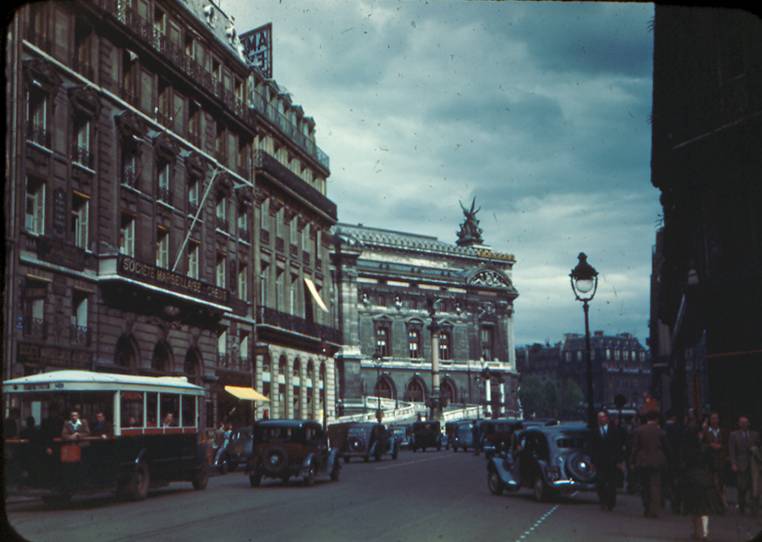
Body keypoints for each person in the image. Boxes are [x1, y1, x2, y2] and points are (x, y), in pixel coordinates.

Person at [682, 419, 724, 540]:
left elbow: (684, 463)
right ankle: (704, 533)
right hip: (705, 479)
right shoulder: (706, 448)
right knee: (704, 508)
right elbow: (712, 465)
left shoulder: (687, 448)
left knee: (694, 508)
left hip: (691, 479)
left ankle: (696, 531)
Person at [631, 409, 668, 518]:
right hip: (657, 461)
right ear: (657, 419)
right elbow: (666, 447)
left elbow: (635, 447)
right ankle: (654, 509)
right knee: (655, 485)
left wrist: (632, 461)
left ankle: (646, 506)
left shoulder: (639, 431)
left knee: (644, 485)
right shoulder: (660, 431)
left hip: (642, 461)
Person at [592, 410, 626, 511]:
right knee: (600, 482)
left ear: (607, 418)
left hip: (612, 461)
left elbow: (618, 446)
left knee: (612, 483)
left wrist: (620, 461)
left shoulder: (614, 431)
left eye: (602, 417)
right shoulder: (594, 431)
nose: (600, 419)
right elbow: (591, 447)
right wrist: (592, 461)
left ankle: (611, 502)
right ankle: (603, 500)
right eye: (599, 417)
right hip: (599, 461)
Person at [728, 415, 760, 515]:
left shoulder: (755, 434)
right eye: (742, 422)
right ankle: (742, 506)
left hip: (753, 464)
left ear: (748, 423)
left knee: (754, 486)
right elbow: (732, 451)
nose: (744, 424)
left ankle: (754, 508)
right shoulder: (734, 435)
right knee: (742, 486)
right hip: (741, 463)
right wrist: (733, 463)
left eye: (745, 422)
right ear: (739, 424)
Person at [702, 412, 727, 511]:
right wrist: (710, 445)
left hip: (720, 460)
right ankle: (712, 504)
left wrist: (721, 446)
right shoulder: (706, 431)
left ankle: (720, 504)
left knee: (720, 483)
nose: (714, 421)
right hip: (709, 461)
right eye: (712, 418)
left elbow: (727, 444)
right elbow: (702, 444)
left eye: (716, 418)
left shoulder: (723, 431)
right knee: (710, 483)